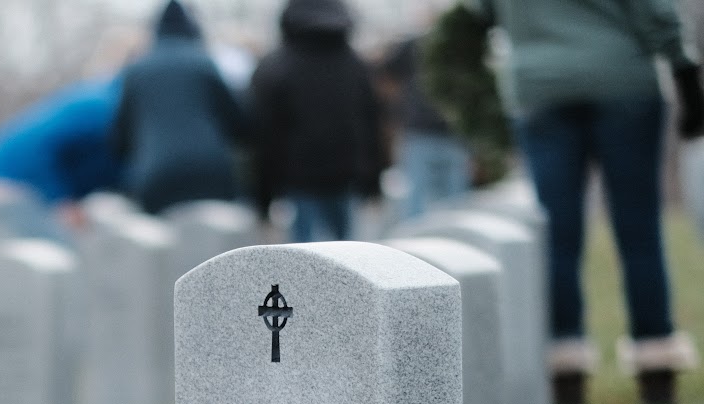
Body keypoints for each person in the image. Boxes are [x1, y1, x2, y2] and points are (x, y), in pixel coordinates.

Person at [479, 0, 703, 404]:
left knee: (558, 236)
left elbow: (481, 12)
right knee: (640, 232)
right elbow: (655, 10)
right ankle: (656, 371)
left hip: (541, 85)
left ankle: (566, 372)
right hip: (623, 78)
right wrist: (683, 68)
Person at [0, 28, 142, 239]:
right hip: (9, 184)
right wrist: (61, 201)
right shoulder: (101, 102)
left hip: (6, 183)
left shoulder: (105, 98)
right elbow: (39, 148)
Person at [250, 0, 386, 242]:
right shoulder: (355, 64)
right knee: (349, 260)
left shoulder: (276, 65)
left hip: (298, 176)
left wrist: (263, 200)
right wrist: (373, 184)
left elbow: (265, 136)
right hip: (345, 172)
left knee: (302, 263)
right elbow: (372, 123)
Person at [110, 1, 246, 214]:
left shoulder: (136, 71)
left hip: (156, 174)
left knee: (165, 244)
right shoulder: (203, 62)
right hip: (210, 170)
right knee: (219, 239)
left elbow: (121, 139)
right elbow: (239, 123)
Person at [380, 30, 470, 219]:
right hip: (422, 132)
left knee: (454, 202)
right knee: (417, 201)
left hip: (449, 133)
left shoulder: (457, 43)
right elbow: (385, 75)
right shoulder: (413, 44)